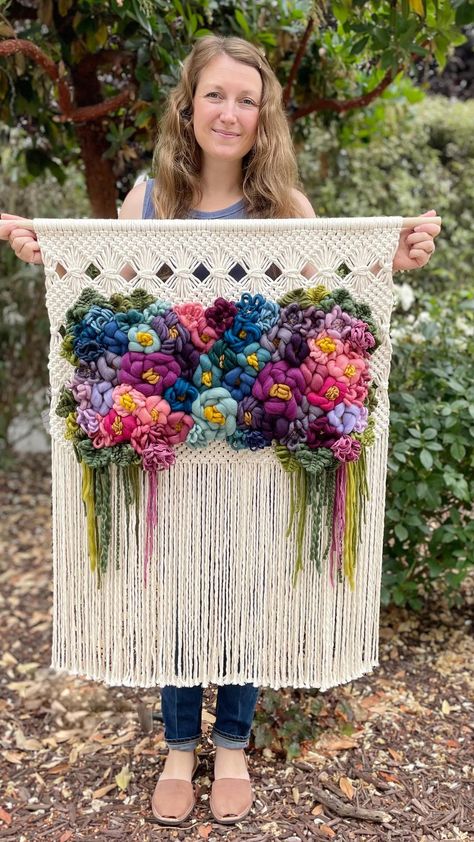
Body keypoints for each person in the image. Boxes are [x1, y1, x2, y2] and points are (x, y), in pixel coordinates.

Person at [0, 34, 441, 827]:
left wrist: (393, 262)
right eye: (215, 95)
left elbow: (328, 305)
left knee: (243, 591)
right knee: (177, 592)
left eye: (247, 98)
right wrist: (52, 256)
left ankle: (232, 742)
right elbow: (114, 300)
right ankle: (177, 746)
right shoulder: (147, 203)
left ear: (263, 114)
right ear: (188, 106)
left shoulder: (287, 210)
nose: (230, 112)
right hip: (172, 445)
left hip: (257, 448)